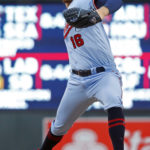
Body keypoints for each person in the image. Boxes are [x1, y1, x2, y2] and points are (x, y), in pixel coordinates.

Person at [40, 0, 125, 149]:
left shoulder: (84, 2)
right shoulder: (68, 19)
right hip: (77, 81)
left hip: (103, 75)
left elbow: (116, 0)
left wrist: (101, 12)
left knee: (114, 102)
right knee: (58, 127)